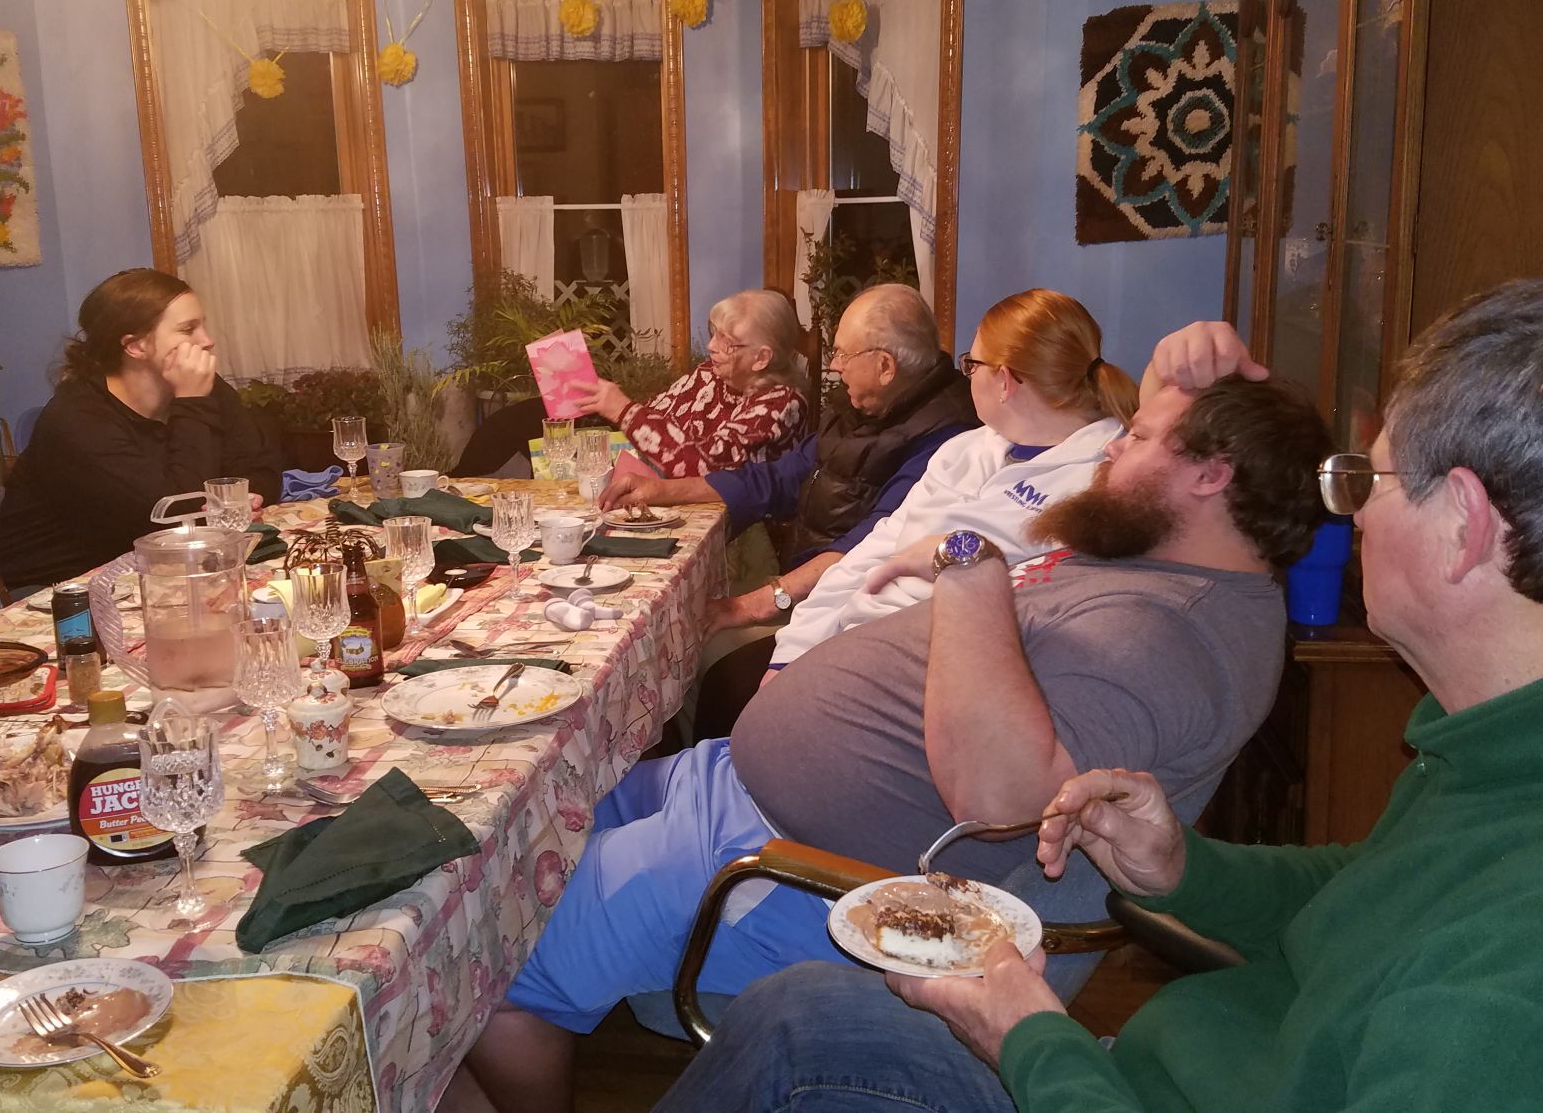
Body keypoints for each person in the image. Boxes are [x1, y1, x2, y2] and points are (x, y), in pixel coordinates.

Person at [653, 268, 1543, 1113]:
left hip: (1113, 1084)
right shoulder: (1538, 741)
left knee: (798, 1036)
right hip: (1166, 1065)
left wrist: (1030, 1038)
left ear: (1465, 524)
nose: (1346, 511)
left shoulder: (1542, 998)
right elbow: (1366, 893)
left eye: (1366, 478)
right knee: (803, 1015)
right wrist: (1187, 868)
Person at [458, 371, 1335, 1113]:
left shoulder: (1165, 639)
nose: (1111, 449)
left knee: (489, 965)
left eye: (1138, 437)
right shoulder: (1163, 564)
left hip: (789, 865)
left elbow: (998, 799)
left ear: (1212, 476)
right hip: (736, 791)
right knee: (508, 836)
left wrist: (969, 568)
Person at [759, 288, 1141, 677]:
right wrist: (791, 652)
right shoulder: (964, 449)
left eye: (972, 364)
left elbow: (1021, 620)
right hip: (849, 642)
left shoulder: (1098, 481)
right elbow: (875, 548)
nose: (966, 375)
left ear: (1004, 381)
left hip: (929, 670)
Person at [597, 283, 979, 621]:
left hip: (852, 609)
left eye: (843, 354)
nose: (834, 365)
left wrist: (760, 603)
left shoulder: (945, 440)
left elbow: (873, 545)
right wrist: (664, 490)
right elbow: (783, 475)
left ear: (884, 366)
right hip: (810, 585)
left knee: (694, 639)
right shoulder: (869, 406)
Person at [0, 268, 281, 589]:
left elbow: (262, 466)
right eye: (188, 329)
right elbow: (170, 516)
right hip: (56, 588)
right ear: (135, 346)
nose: (207, 341)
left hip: (155, 570)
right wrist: (192, 401)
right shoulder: (76, 419)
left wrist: (247, 499)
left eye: (203, 325)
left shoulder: (201, 387)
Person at [572, 288, 808, 478]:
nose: (710, 346)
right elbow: (655, 418)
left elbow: (706, 466)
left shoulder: (783, 404)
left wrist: (623, 410)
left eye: (727, 342)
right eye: (714, 333)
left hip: (740, 521)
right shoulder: (709, 374)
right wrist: (599, 396)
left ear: (761, 358)